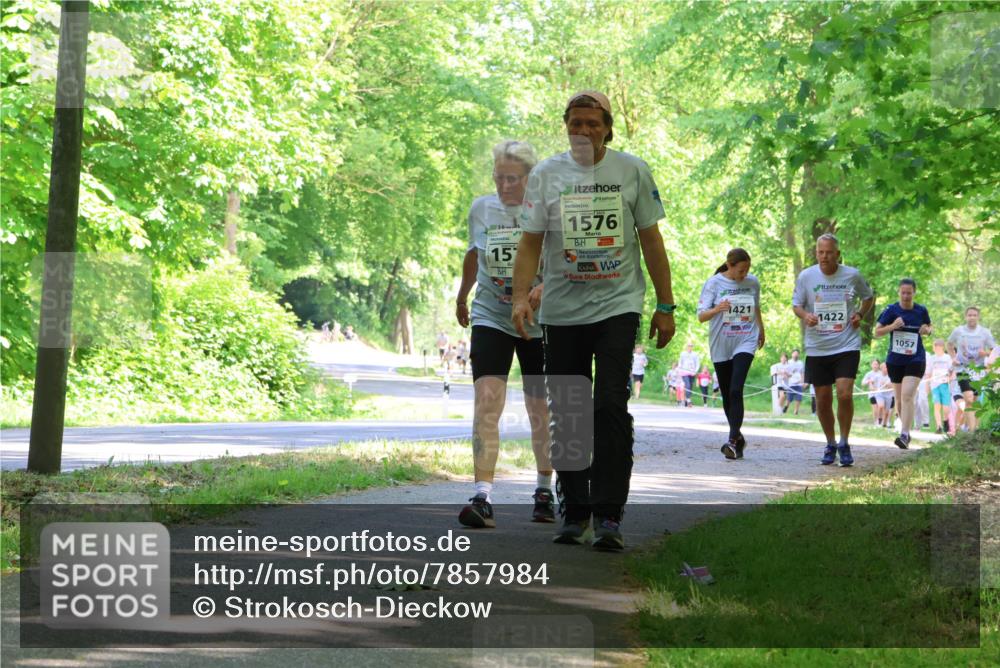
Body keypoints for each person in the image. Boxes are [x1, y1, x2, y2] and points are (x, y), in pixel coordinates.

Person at [512, 90, 676, 551]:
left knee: (607, 403)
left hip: (617, 305)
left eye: (591, 123)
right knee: (569, 409)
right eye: (574, 122)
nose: (582, 130)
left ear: (607, 127)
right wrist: (521, 297)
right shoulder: (547, 174)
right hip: (563, 308)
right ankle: (575, 509)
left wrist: (665, 306)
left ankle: (608, 513)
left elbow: (651, 240)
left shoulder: (631, 171)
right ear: (565, 126)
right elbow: (529, 243)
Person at [454, 140, 552, 529]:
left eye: (512, 179)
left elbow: (563, 261)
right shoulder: (481, 208)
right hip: (491, 314)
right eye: (498, 178)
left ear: (531, 178)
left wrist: (540, 291)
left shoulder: (547, 209)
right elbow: (474, 254)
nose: (504, 185)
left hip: (539, 321)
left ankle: (545, 488)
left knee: (539, 408)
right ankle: (482, 495)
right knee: (487, 402)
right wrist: (463, 296)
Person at [792, 232, 875, 466]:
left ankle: (845, 442)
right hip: (818, 346)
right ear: (816, 253)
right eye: (820, 252)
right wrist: (805, 315)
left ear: (837, 254)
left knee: (844, 393)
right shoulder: (806, 276)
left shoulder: (852, 275)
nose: (824, 256)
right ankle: (830, 442)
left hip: (846, 343)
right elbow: (796, 305)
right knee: (823, 398)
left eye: (829, 252)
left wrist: (859, 314)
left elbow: (868, 297)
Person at [697, 247, 765, 459]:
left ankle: (732, 440)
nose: (744, 274)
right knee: (727, 393)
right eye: (741, 270)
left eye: (747, 270)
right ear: (729, 266)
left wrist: (761, 329)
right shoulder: (714, 283)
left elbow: (756, 307)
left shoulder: (752, 282)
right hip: (721, 343)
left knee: (736, 389)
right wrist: (718, 308)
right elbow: (701, 316)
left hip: (745, 338)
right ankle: (738, 438)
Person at [874, 278, 933, 448]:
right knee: (899, 399)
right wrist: (892, 325)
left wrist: (926, 330)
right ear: (899, 292)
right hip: (895, 360)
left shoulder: (921, 310)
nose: (906, 296)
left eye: (909, 292)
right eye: (903, 292)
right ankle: (904, 428)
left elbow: (929, 327)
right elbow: (877, 332)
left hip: (916, 358)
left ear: (914, 293)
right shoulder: (891, 310)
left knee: (908, 395)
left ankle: (905, 434)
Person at [948, 306, 996, 433]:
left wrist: (984, 354)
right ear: (965, 316)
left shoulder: (985, 332)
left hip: (978, 370)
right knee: (968, 398)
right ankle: (972, 431)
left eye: (974, 315)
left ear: (978, 317)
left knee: (974, 401)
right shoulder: (958, 331)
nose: (972, 317)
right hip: (962, 368)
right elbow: (949, 344)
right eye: (970, 315)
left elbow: (993, 351)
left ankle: (972, 429)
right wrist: (953, 358)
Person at [926, 339, 954, 433]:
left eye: (937, 347)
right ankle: (939, 427)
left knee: (946, 408)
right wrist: (927, 385)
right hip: (935, 385)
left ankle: (945, 420)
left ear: (942, 347)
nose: (935, 349)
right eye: (934, 347)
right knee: (937, 405)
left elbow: (951, 370)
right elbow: (929, 372)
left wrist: (950, 377)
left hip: (945, 384)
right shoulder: (932, 358)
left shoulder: (947, 358)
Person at [861, 359, 883, 426]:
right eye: (874, 364)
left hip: (881, 393)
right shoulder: (869, 374)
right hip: (872, 394)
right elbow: (863, 383)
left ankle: (880, 420)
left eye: (876, 364)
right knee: (875, 408)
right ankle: (876, 422)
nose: (875, 366)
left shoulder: (881, 373)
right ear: (871, 365)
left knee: (881, 407)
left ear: (879, 365)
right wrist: (869, 381)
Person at [785, 350, 805, 415]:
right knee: (789, 398)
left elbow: (802, 372)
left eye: (797, 354)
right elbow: (786, 372)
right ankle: (785, 408)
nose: (796, 355)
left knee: (798, 398)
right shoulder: (788, 362)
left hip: (799, 383)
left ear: (798, 355)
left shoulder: (801, 363)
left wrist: (803, 381)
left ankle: (796, 411)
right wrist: (791, 373)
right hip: (790, 383)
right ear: (792, 354)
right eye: (794, 353)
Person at [877, 362, 896, 429]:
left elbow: (893, 385)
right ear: (881, 368)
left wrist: (887, 385)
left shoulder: (891, 376)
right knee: (881, 406)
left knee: (887, 412)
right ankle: (879, 420)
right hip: (880, 394)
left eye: (887, 367)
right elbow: (873, 384)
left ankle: (884, 425)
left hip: (889, 395)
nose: (886, 369)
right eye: (885, 367)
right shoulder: (878, 375)